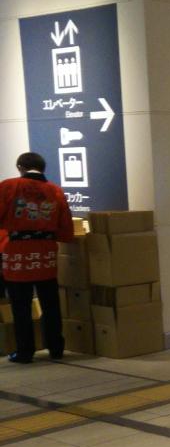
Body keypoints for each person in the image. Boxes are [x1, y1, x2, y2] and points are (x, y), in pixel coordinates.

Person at [0, 153, 74, 363]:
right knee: (50, 302)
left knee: (21, 305)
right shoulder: (55, 190)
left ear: (20, 167)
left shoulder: (8, 186)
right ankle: (56, 347)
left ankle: (25, 351)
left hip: (18, 252)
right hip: (45, 253)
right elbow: (65, 228)